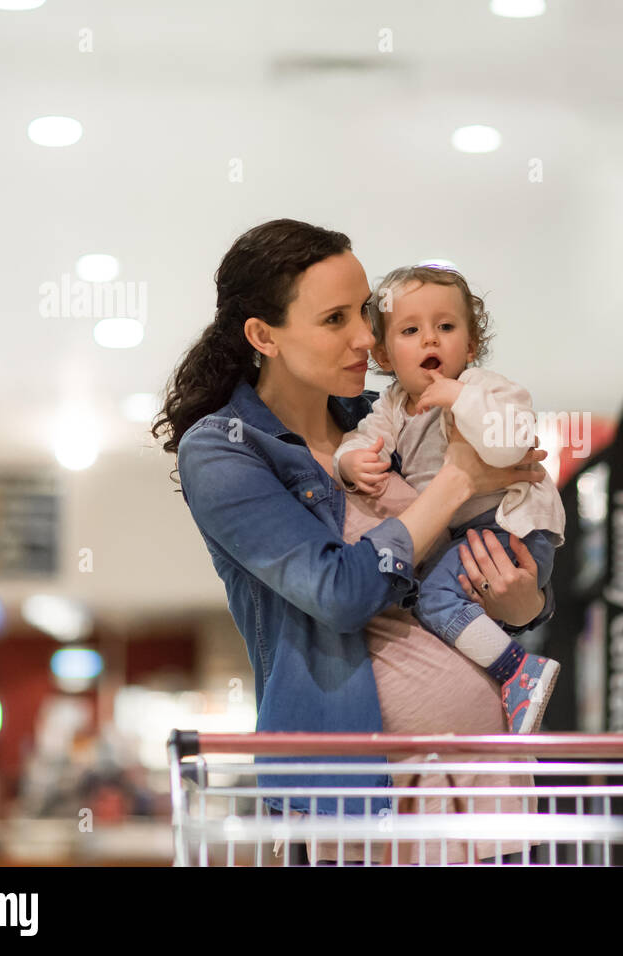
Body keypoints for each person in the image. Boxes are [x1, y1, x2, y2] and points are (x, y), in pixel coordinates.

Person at [153, 219, 553, 862]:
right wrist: (456, 480)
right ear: (263, 335)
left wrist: (524, 604)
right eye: (335, 319)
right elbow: (338, 591)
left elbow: (482, 556)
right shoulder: (227, 449)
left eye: (365, 312)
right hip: (362, 809)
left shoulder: (383, 417)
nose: (369, 338)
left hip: (485, 789)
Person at [335, 264, 564, 733]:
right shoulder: (393, 405)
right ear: (383, 352)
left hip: (511, 525)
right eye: (411, 330)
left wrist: (459, 397)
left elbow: (506, 448)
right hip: (471, 535)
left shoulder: (487, 389)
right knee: (438, 597)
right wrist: (349, 463)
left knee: (437, 600)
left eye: (446, 327)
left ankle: (519, 672)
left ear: (472, 344)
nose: (430, 341)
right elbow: (361, 439)